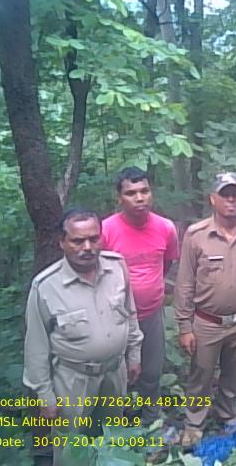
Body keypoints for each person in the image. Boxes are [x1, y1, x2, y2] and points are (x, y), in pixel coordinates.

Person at [23, 209, 143, 465]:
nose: (87, 247)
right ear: (62, 242)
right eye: (78, 241)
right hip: (72, 380)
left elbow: (130, 313)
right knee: (71, 449)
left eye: (93, 238)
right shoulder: (46, 286)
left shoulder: (117, 267)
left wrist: (134, 355)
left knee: (112, 440)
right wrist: (45, 395)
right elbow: (36, 348)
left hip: (115, 373)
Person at [174, 172, 236, 446]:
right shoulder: (196, 235)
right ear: (212, 199)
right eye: (224, 195)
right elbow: (185, 283)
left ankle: (227, 412)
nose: (230, 200)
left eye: (235, 195)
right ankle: (194, 422)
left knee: (234, 373)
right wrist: (184, 326)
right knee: (201, 374)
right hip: (207, 321)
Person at [101, 167, 179, 424]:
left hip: (151, 313)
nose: (139, 198)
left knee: (152, 372)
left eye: (144, 191)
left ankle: (151, 420)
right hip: (114, 317)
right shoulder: (105, 230)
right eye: (131, 193)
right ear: (119, 198)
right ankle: (114, 425)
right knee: (114, 375)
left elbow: (166, 263)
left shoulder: (165, 228)